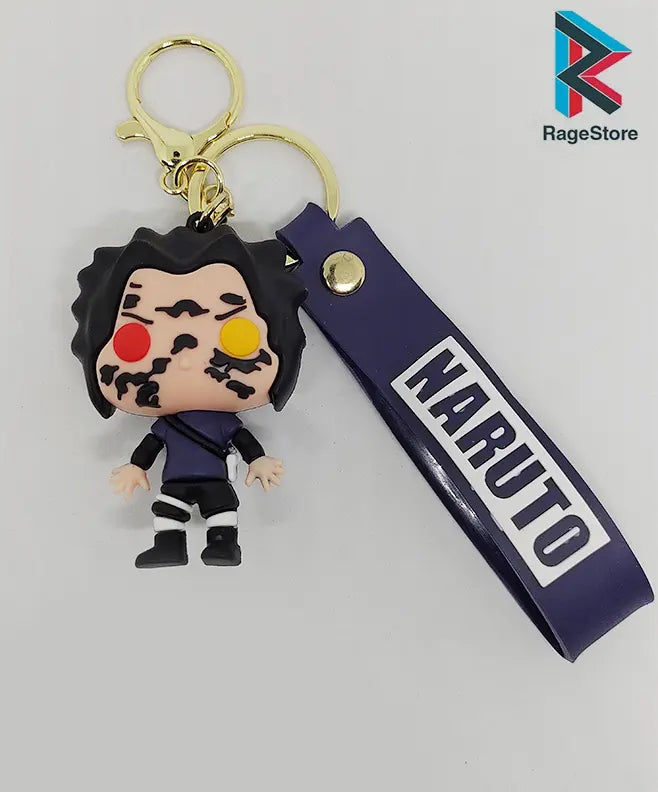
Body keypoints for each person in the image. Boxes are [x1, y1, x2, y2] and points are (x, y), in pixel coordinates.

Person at [72, 220, 307, 568]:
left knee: (221, 511)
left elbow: (243, 440)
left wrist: (257, 459)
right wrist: (136, 466)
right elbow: (151, 446)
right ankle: (169, 546)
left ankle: (223, 546)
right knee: (168, 509)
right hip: (176, 481)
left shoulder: (215, 422)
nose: (184, 360)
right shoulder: (171, 425)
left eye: (236, 335)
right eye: (136, 341)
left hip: (213, 480)